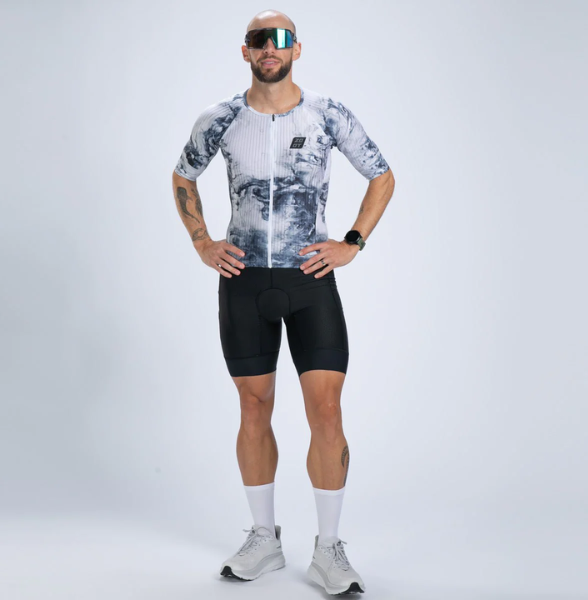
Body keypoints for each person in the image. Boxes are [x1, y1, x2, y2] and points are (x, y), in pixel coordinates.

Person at [171, 9, 395, 596]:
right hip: (244, 280)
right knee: (253, 408)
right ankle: (263, 539)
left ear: (296, 48)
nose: (269, 47)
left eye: (280, 39)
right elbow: (182, 176)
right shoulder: (221, 118)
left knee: (327, 411)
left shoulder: (327, 113)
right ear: (245, 51)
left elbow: (382, 175)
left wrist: (352, 242)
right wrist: (202, 241)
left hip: (308, 279)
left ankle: (329, 549)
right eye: (258, 40)